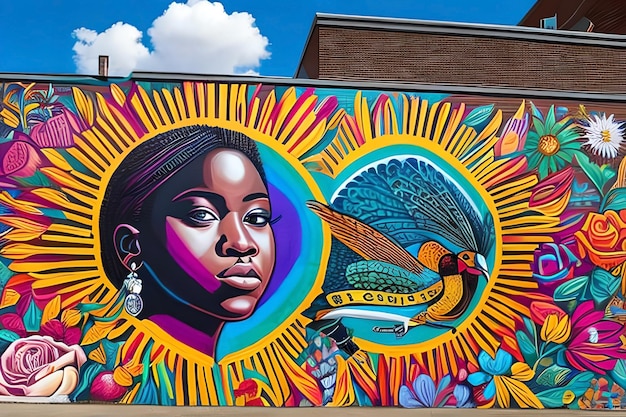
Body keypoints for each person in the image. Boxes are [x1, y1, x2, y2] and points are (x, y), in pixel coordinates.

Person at [99, 125, 276, 357]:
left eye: (256, 217)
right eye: (201, 215)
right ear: (131, 245)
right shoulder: (108, 364)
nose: (242, 244)